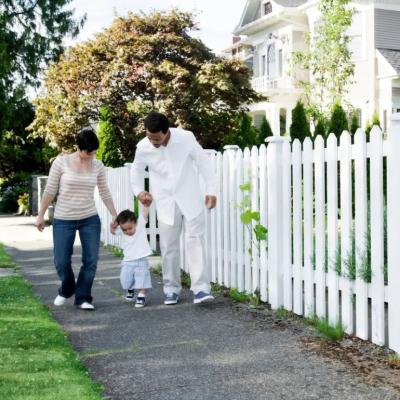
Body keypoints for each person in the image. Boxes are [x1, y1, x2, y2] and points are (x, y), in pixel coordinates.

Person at [130, 111, 217, 305]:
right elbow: (135, 170)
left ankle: (201, 289)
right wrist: (139, 192)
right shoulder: (143, 147)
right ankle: (171, 289)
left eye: (156, 138)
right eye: (149, 136)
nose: (152, 141)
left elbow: (203, 162)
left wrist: (211, 190)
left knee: (195, 242)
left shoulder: (186, 138)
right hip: (165, 201)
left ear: (166, 131)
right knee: (169, 246)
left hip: (190, 197)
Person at [35, 127, 118, 310]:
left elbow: (104, 192)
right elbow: (50, 190)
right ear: (79, 148)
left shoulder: (98, 166)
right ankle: (67, 288)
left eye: (94, 152)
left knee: (91, 260)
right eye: (88, 153)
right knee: (61, 261)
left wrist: (114, 214)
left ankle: (83, 297)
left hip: (89, 218)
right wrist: (40, 215)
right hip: (64, 218)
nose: (92, 156)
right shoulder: (61, 162)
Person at [111, 207, 152, 308]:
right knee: (125, 281)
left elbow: (145, 213)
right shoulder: (122, 231)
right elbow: (113, 232)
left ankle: (141, 296)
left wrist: (146, 204)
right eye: (125, 229)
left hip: (141, 260)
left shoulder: (140, 226)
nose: (128, 231)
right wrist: (112, 227)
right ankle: (130, 288)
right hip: (128, 262)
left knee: (142, 279)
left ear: (135, 223)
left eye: (130, 228)